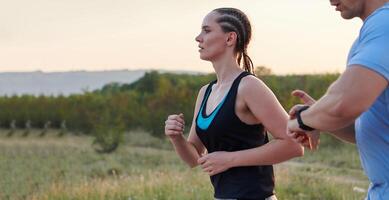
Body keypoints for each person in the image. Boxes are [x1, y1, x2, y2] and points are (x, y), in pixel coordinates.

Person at [165, 7, 303, 200]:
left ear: (230, 39)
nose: (198, 38)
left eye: (207, 30)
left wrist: (230, 159)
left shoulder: (249, 86)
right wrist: (176, 137)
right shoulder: (206, 92)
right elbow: (194, 158)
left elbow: (294, 145)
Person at [287, 0, 389, 199]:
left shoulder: (385, 23)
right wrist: (321, 117)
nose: (331, 0)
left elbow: (345, 102)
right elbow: (370, 130)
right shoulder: (373, 32)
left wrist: (302, 120)